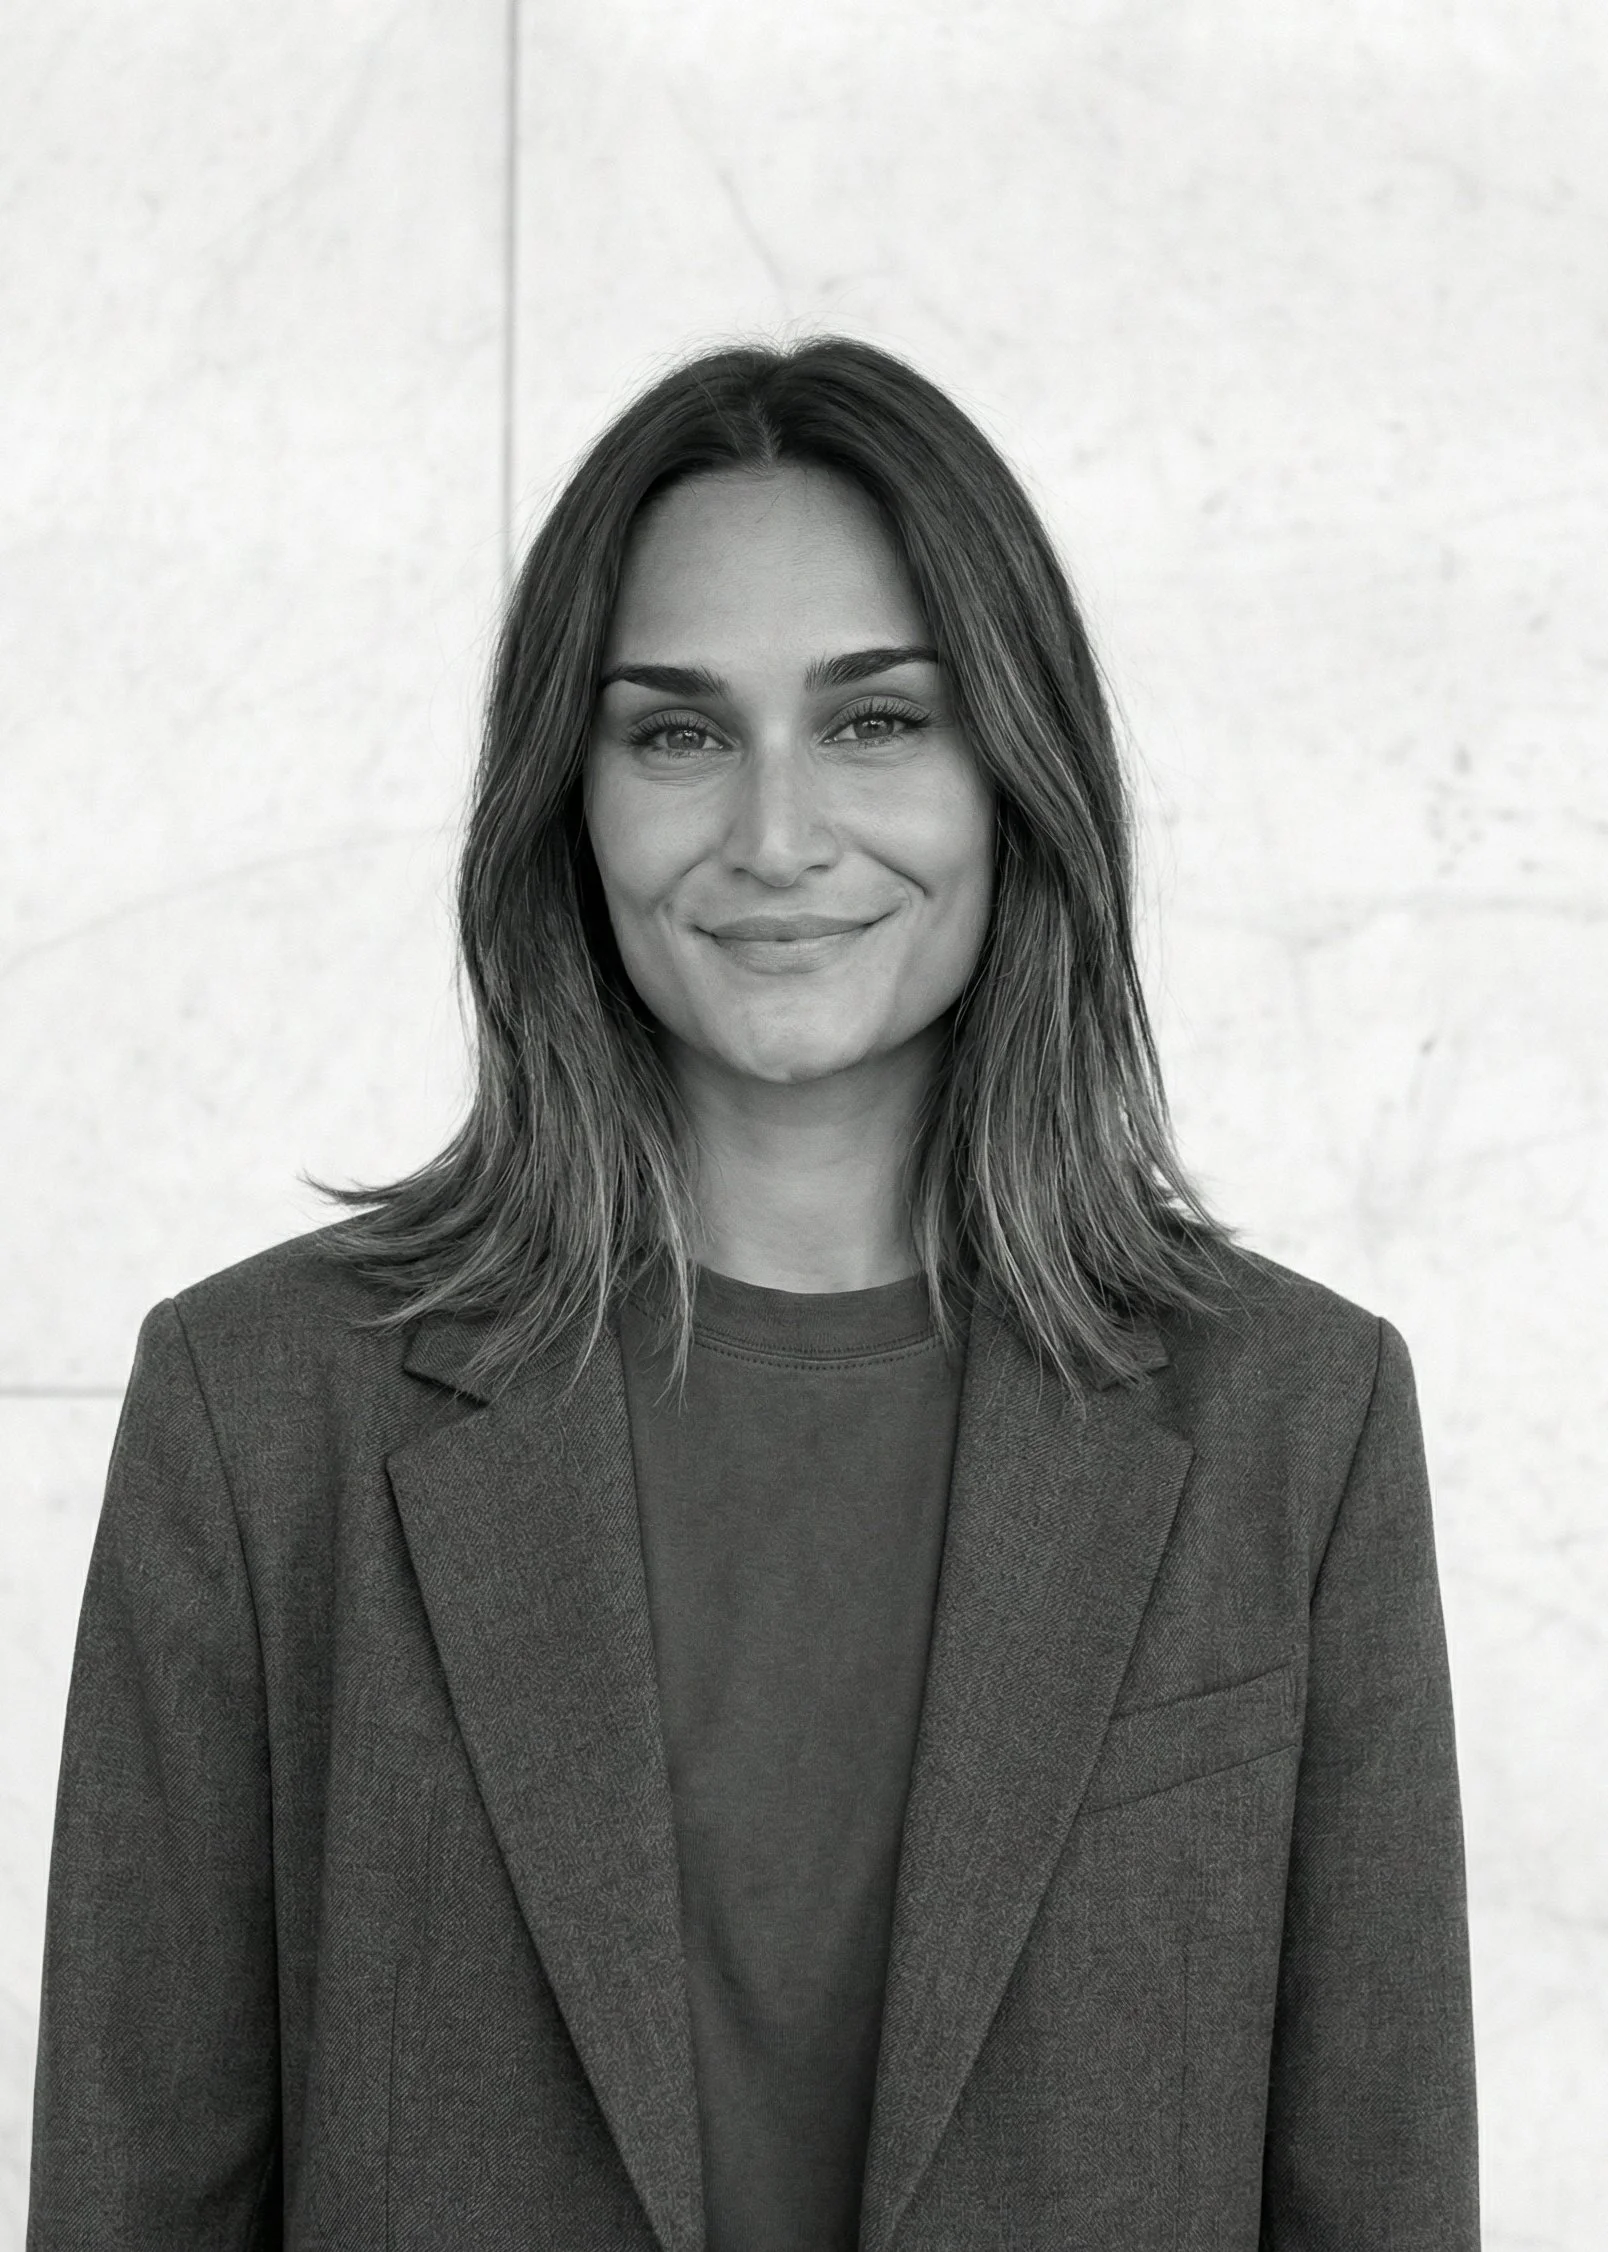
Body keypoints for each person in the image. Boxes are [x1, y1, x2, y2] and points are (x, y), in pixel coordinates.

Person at [28, 338, 1478, 2251]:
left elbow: (1378, 2194)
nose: (778, 837)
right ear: (570, 797)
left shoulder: (1297, 1419)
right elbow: (136, 2192)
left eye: (877, 720)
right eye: (678, 734)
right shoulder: (260, 1412)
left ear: (1016, 774)